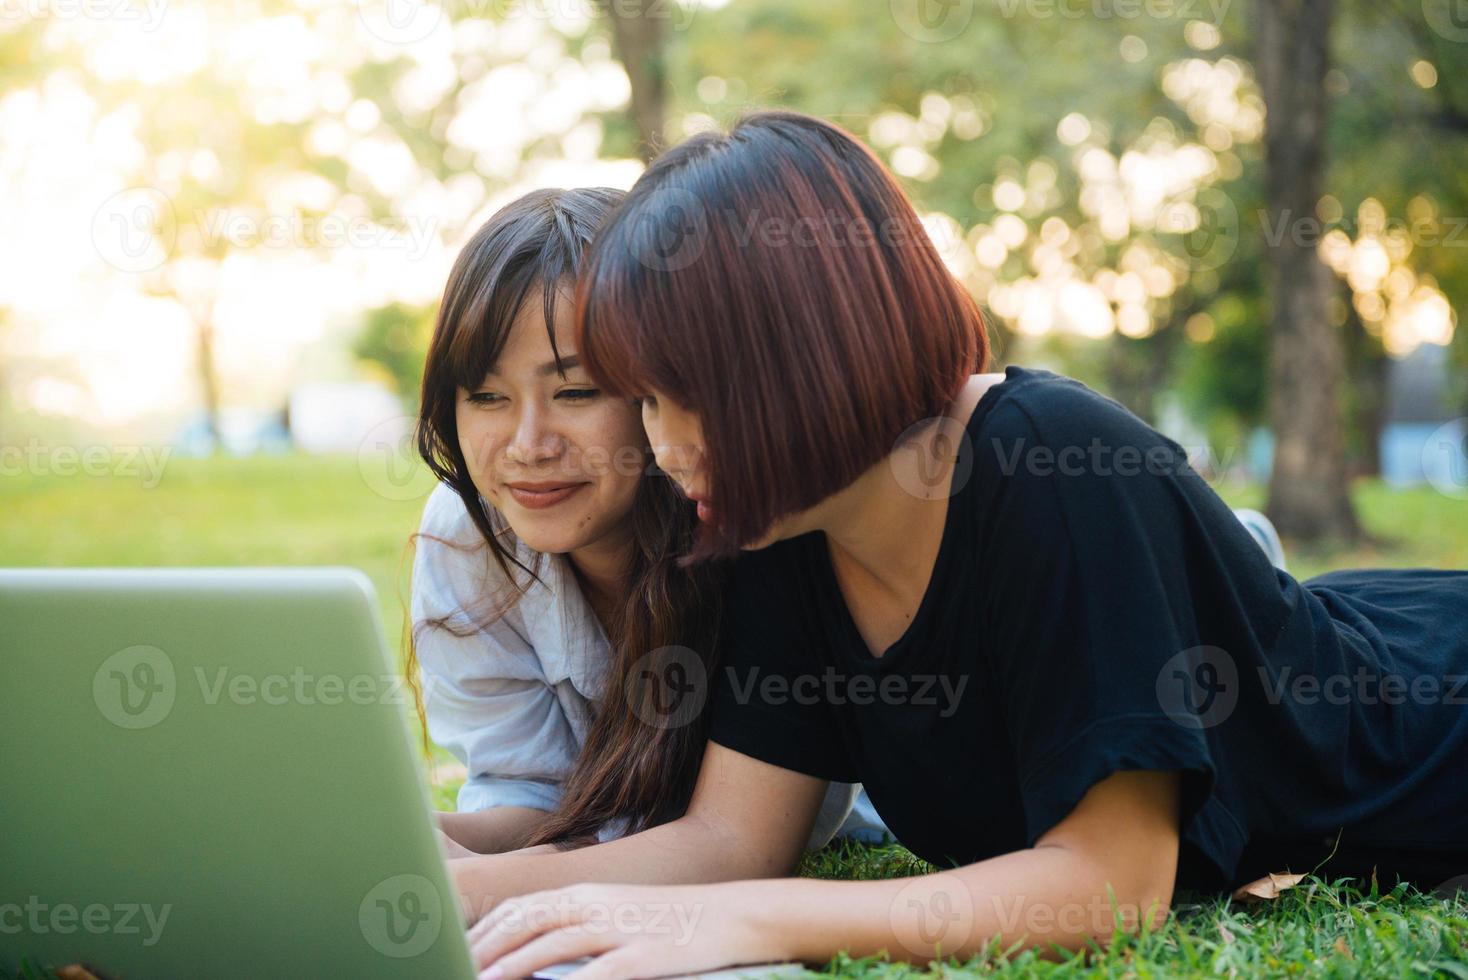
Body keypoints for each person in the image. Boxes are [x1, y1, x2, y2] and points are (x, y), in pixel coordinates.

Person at [453, 111, 1468, 977]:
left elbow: (1113, 883)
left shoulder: (1048, 460)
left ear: (804, 358)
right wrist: (454, 886)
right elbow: (731, 836)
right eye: (646, 401)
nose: (666, 446)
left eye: (688, 398)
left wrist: (757, 918)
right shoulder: (777, 520)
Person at [409, 186, 873, 859]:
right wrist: (417, 841)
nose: (528, 444)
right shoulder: (468, 531)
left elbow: (751, 840)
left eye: (575, 392)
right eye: (486, 396)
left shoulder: (761, 533)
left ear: (660, 391)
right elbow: (532, 797)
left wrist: (487, 882)